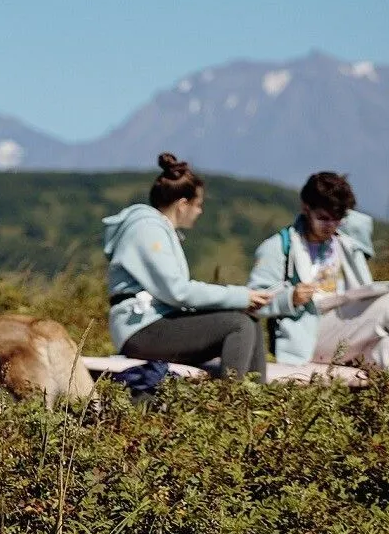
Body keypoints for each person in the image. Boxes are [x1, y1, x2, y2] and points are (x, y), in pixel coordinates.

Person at [248, 171, 389, 378]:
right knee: (388, 303)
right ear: (305, 208)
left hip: (348, 327)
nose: (329, 226)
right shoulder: (279, 247)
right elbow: (254, 300)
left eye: (337, 219)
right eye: (323, 218)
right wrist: (290, 298)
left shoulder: (346, 241)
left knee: (388, 348)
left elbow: (358, 220)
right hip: (308, 335)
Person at [103, 152, 271, 381]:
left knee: (248, 321)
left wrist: (241, 301)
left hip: (155, 323)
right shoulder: (146, 230)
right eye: (198, 204)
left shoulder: (160, 230)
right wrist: (240, 296)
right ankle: (233, 403)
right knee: (238, 324)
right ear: (182, 205)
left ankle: (253, 403)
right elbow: (178, 291)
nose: (200, 211)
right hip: (140, 330)